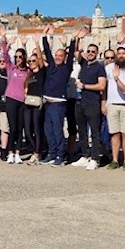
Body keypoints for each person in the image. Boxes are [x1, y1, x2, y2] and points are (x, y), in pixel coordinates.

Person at [40, 26, 84, 166]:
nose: (58, 57)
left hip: (58, 104)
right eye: (57, 55)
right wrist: (45, 35)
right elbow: (47, 50)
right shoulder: (51, 66)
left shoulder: (66, 68)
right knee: (48, 130)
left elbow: (71, 55)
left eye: (61, 56)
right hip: (48, 103)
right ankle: (52, 153)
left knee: (57, 131)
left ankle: (60, 155)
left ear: (64, 58)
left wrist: (73, 39)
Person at [71, 43, 107, 170]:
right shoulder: (83, 64)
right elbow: (76, 53)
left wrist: (85, 86)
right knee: (82, 131)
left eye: (93, 51)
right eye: (89, 51)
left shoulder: (99, 67)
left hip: (92, 103)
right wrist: (78, 43)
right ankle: (85, 155)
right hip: (80, 101)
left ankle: (95, 158)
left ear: (97, 53)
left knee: (95, 132)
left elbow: (102, 85)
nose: (90, 53)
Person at [0, 30, 30, 164]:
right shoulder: (11, 68)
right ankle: (10, 153)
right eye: (16, 57)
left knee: (19, 128)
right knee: (12, 127)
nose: (18, 59)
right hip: (11, 99)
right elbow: (5, 55)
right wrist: (5, 40)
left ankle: (17, 153)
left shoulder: (27, 71)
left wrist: (24, 45)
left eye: (20, 57)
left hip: (22, 101)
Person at [105, 43, 125, 171]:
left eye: (124, 53)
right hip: (112, 104)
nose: (121, 56)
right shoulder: (109, 68)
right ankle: (115, 159)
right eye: (119, 53)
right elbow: (104, 86)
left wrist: (117, 78)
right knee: (114, 133)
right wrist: (104, 102)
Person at [23, 47, 46, 164]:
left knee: (37, 128)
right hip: (28, 102)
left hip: (37, 103)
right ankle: (37, 150)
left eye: (33, 61)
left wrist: (37, 44)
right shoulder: (29, 75)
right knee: (27, 130)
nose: (31, 63)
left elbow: (41, 59)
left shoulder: (42, 72)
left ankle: (37, 153)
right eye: (30, 61)